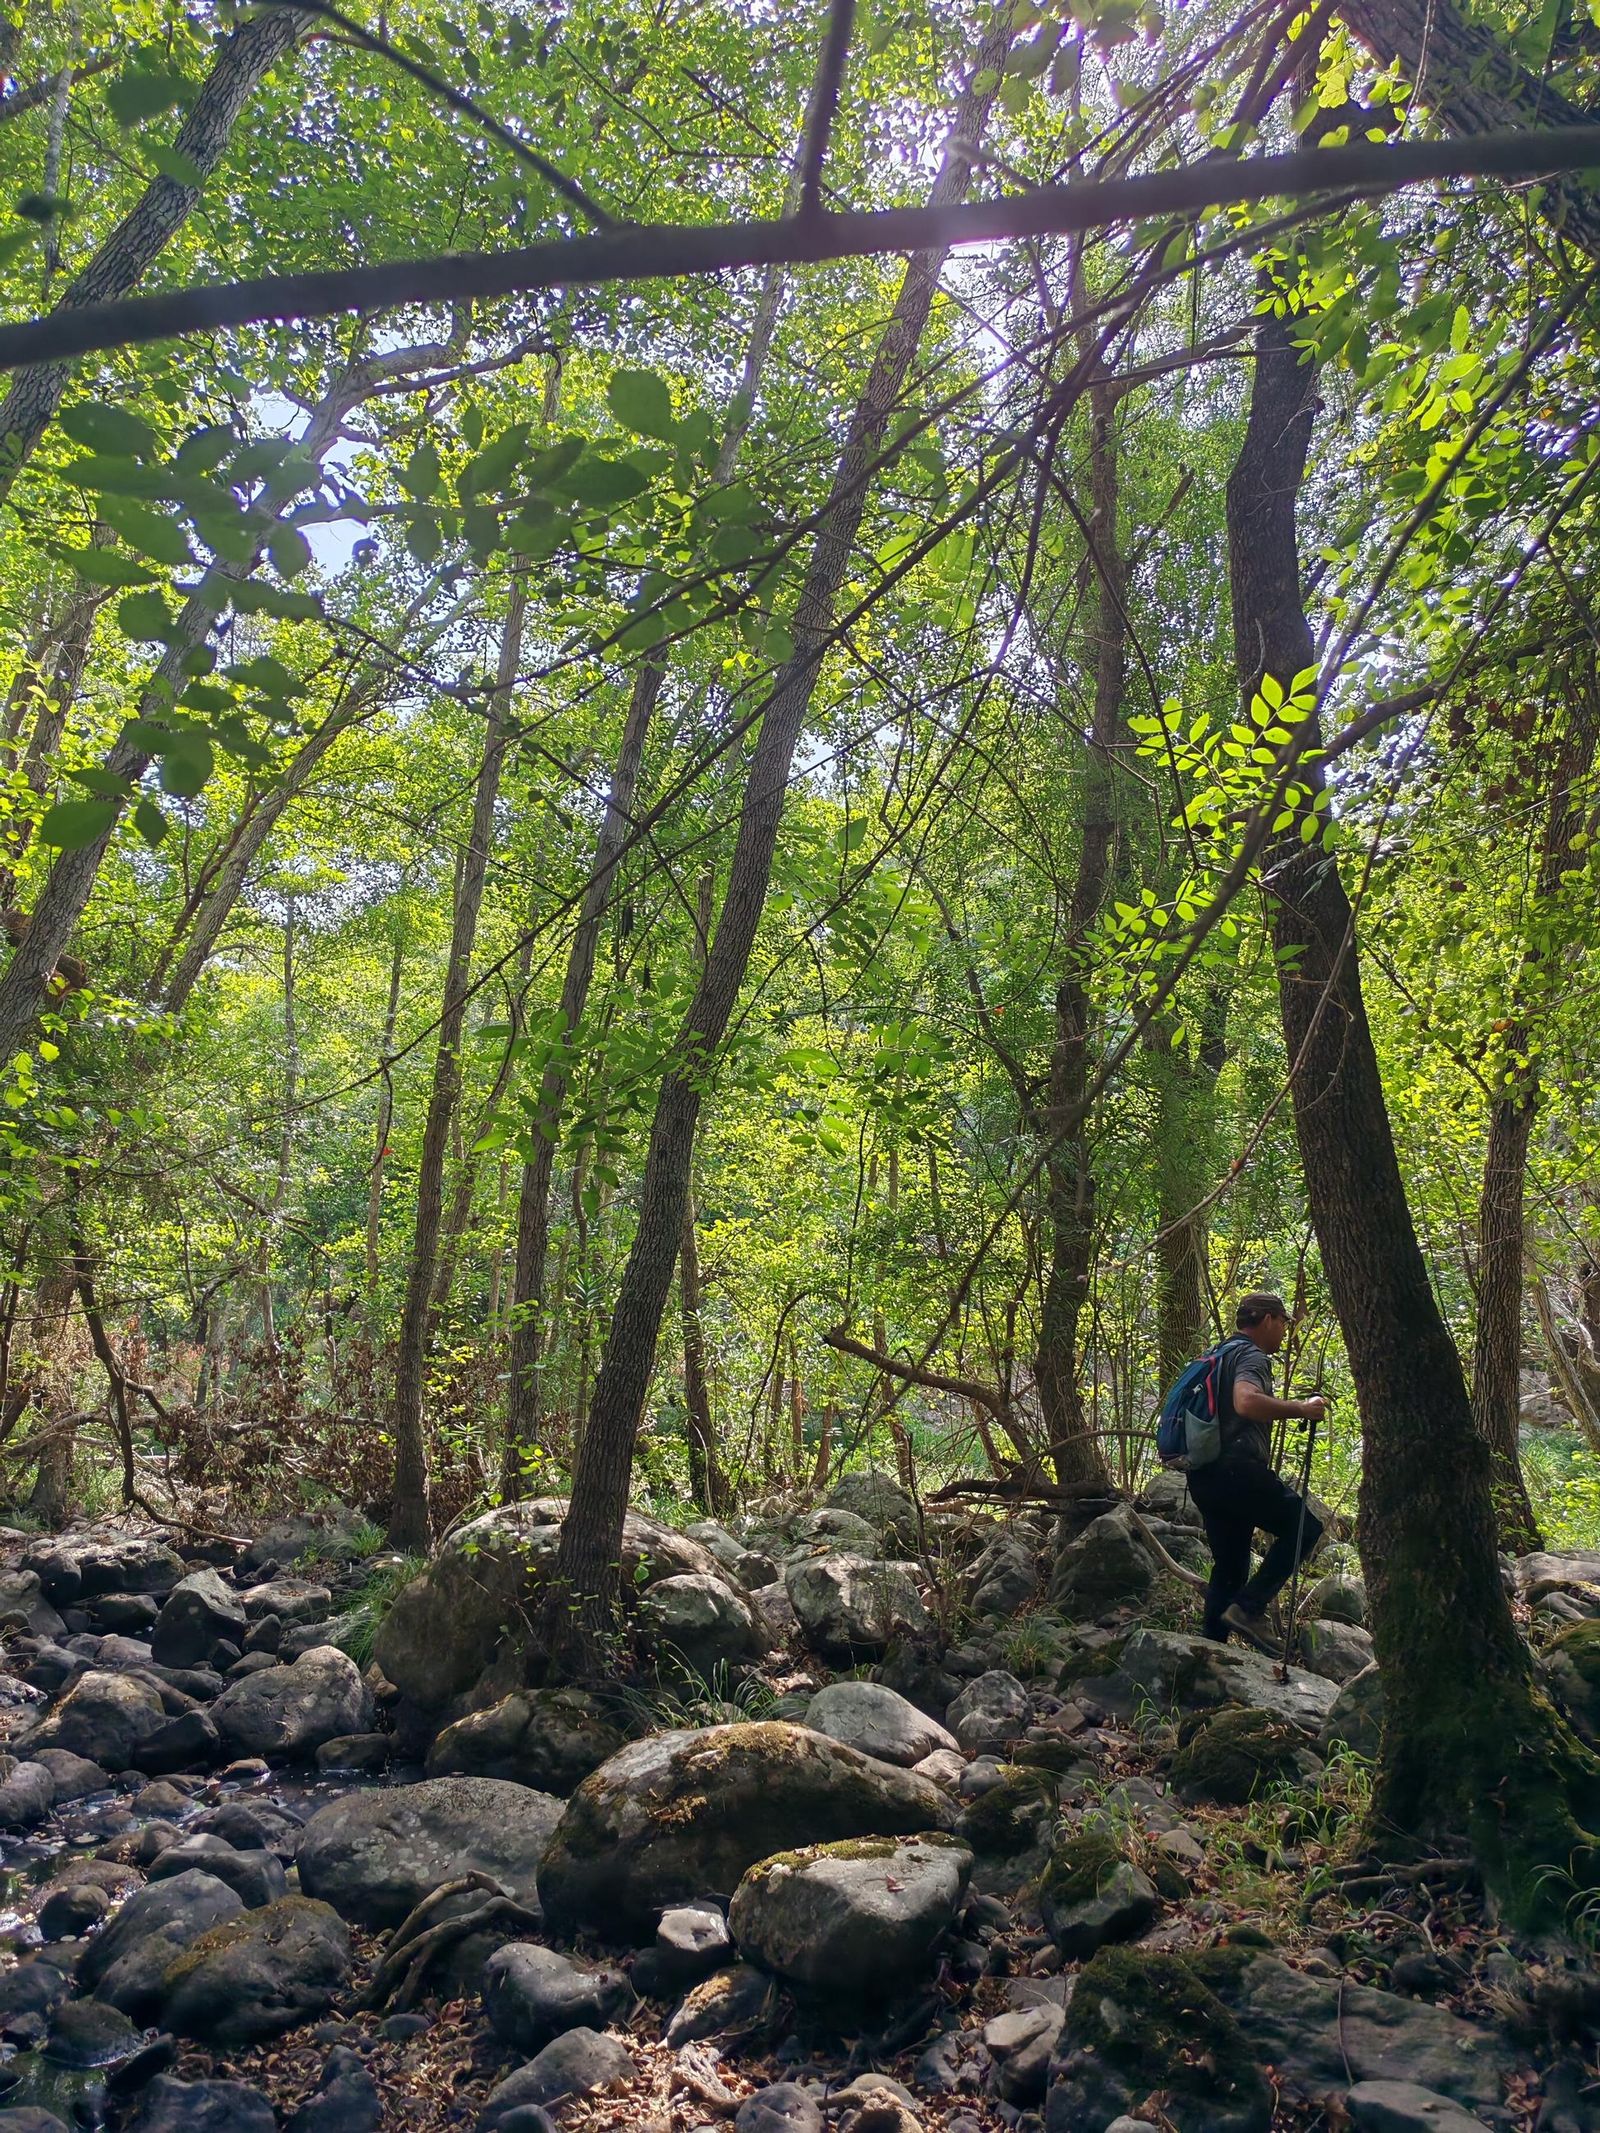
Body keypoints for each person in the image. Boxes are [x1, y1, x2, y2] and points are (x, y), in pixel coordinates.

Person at [1186, 1291, 1325, 1647]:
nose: (1284, 1332)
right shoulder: (1251, 1355)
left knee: (1230, 1570)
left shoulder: (1217, 1354)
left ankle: (1209, 1658)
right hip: (1236, 1471)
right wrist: (1302, 1409)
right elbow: (1245, 1402)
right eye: (1283, 1323)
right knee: (1305, 1528)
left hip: (1203, 1476)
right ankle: (1249, 1608)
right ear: (1267, 1320)